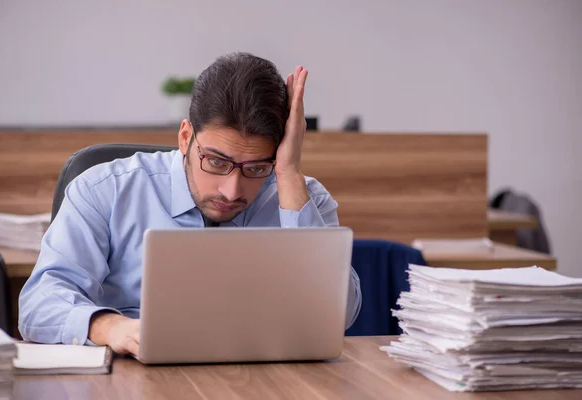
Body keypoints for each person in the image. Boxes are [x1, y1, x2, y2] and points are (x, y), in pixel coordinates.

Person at [19, 52, 362, 356]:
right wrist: (111, 328)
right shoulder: (104, 190)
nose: (231, 190)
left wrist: (288, 173)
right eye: (215, 161)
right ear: (185, 137)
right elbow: (38, 305)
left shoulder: (302, 196)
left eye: (256, 168)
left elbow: (340, 316)